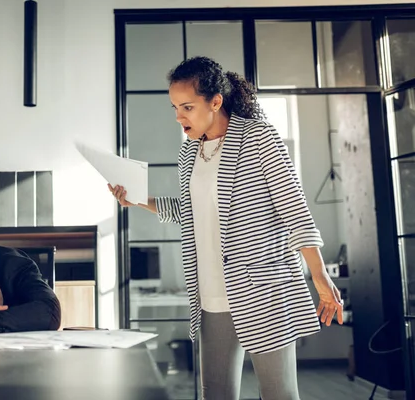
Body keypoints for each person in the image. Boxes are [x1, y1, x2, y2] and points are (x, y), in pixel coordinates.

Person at [109, 56, 343, 400]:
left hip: (263, 291)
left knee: (278, 393)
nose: (179, 116)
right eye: (175, 107)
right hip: (210, 294)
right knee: (214, 393)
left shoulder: (259, 138)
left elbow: (294, 209)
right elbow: (190, 213)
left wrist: (320, 277)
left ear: (215, 101)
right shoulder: (189, 151)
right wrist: (138, 198)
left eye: (187, 106)